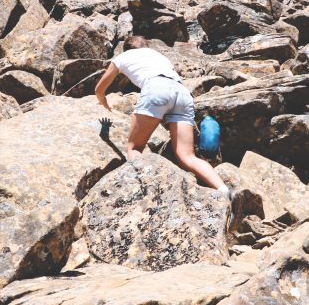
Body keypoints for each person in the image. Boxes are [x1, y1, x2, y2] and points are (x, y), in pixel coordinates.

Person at [95, 36, 230, 194]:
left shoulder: (124, 56)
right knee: (187, 156)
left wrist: (103, 103)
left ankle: (150, 189)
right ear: (146, 46)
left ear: (127, 48)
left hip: (156, 88)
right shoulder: (159, 56)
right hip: (182, 93)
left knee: (135, 148)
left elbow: (99, 89)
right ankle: (224, 190)